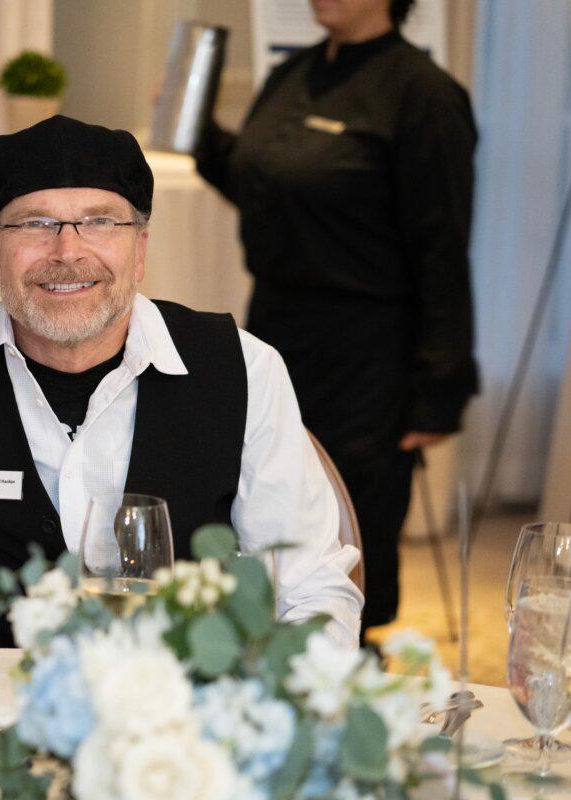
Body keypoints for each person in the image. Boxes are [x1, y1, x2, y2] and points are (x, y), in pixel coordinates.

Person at [0, 114, 364, 649]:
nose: (68, 252)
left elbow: (308, 588)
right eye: (34, 224)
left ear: (140, 250)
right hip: (11, 711)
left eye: (100, 222)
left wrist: (271, 716)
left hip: (195, 712)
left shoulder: (243, 369)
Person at [193, 0, 478, 636]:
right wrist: (200, 135)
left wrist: (439, 387)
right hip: (275, 328)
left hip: (367, 349)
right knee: (264, 506)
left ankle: (347, 672)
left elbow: (443, 246)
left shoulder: (423, 94)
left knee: (353, 526)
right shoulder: (290, 76)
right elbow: (263, 187)